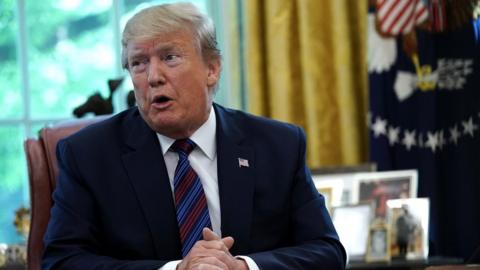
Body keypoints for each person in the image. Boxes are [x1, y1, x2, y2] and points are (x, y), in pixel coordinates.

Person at [42, 3, 346, 270]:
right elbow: (62, 261)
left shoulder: (278, 145)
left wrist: (242, 267)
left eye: (170, 57)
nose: (153, 77)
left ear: (212, 69)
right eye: (138, 63)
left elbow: (327, 251)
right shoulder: (89, 154)